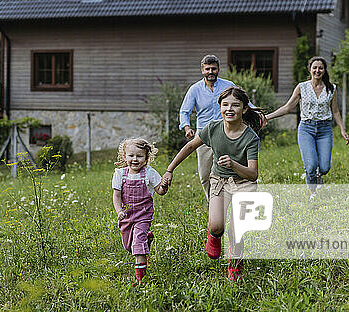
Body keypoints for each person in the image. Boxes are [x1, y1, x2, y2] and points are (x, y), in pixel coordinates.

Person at [164, 87, 264, 279]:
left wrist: (234, 164)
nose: (229, 109)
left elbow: (253, 174)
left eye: (235, 105)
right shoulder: (212, 128)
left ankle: (235, 265)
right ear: (220, 107)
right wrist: (170, 169)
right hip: (219, 181)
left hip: (244, 184)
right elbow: (190, 146)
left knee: (236, 229)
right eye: (225, 105)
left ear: (244, 109)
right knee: (216, 226)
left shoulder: (250, 137)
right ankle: (214, 235)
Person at [264, 56, 349, 199]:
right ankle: (313, 193)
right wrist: (267, 117)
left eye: (320, 68)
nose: (317, 70)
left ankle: (318, 176)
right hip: (306, 129)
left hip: (324, 129)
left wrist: (342, 129)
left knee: (324, 168)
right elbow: (288, 107)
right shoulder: (302, 87)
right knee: (310, 166)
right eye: (314, 67)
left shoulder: (331, 88)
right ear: (310, 69)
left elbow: (335, 111)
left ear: (324, 70)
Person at [178, 55, 240, 201]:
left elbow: (244, 102)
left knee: (228, 171)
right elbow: (184, 111)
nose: (210, 72)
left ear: (218, 69)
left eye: (213, 68)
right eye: (207, 69)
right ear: (202, 70)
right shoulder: (194, 89)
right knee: (205, 175)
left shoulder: (228, 85)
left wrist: (258, 115)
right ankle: (212, 203)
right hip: (203, 136)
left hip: (226, 132)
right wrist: (187, 128)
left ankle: (229, 202)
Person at [112, 138, 168, 285]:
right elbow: (116, 196)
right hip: (126, 216)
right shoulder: (119, 174)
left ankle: (140, 280)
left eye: (139, 156)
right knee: (128, 246)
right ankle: (146, 238)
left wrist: (165, 186)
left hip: (143, 215)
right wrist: (119, 211)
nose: (135, 159)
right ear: (124, 156)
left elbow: (160, 191)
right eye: (131, 156)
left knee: (137, 246)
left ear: (146, 158)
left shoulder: (149, 173)